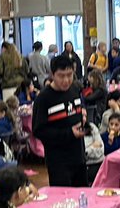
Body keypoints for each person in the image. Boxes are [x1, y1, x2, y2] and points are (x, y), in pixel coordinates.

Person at [32, 55, 87, 187]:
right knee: (63, 199)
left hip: (79, 156)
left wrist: (83, 119)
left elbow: (76, 114)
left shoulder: (75, 90)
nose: (66, 80)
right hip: (58, 161)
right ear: (52, 74)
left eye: (70, 75)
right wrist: (69, 133)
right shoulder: (43, 98)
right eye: (61, 76)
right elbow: (39, 131)